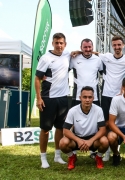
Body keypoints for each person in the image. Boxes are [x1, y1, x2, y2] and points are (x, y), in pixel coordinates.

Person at [35, 33, 70, 168]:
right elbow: (37, 78)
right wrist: (39, 98)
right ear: (53, 43)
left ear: (65, 44)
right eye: (56, 43)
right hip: (48, 98)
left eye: (61, 43)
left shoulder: (67, 55)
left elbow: (77, 53)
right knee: (45, 129)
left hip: (63, 98)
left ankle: (57, 156)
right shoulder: (46, 58)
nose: (59, 45)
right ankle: (43, 158)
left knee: (60, 128)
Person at [59, 86, 109, 170]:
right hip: (76, 139)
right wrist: (78, 140)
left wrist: (90, 141)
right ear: (80, 98)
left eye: (90, 97)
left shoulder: (98, 110)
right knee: (63, 143)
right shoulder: (73, 110)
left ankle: (98, 157)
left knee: (104, 141)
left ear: (93, 98)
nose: (87, 100)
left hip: (93, 139)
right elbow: (65, 131)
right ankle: (72, 157)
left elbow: (103, 130)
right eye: (84, 97)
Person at [69, 38, 103, 106]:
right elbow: (64, 71)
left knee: (94, 116)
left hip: (94, 97)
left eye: (89, 47)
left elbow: (104, 74)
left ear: (92, 47)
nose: (87, 49)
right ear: (81, 48)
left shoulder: (98, 60)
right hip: (78, 97)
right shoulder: (74, 58)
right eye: (85, 47)